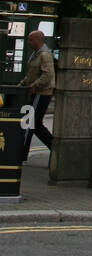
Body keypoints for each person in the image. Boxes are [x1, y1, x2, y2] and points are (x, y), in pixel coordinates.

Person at [20, 30, 55, 159]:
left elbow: (47, 75)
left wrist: (33, 86)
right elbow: (30, 75)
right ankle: (55, 148)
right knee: (35, 125)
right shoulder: (36, 54)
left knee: (30, 123)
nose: (28, 42)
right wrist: (21, 86)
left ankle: (22, 154)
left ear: (38, 40)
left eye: (30, 40)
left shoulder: (44, 55)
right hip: (35, 93)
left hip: (41, 93)